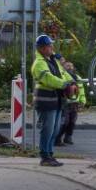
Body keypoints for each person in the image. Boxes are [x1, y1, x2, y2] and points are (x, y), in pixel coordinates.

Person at [30, 35, 74, 166]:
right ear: (42, 48)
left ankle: (50, 154)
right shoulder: (39, 64)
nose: (52, 48)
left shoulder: (52, 60)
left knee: (54, 131)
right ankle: (45, 156)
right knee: (47, 129)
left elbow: (63, 73)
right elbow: (48, 78)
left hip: (56, 101)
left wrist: (71, 81)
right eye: (49, 46)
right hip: (46, 102)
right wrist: (65, 85)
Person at [55, 60, 85, 146]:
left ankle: (68, 137)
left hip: (74, 103)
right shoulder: (62, 76)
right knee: (65, 122)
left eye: (71, 66)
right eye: (67, 66)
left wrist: (82, 101)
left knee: (72, 122)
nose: (69, 67)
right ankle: (57, 138)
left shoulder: (78, 78)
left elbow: (81, 90)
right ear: (63, 68)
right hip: (66, 103)